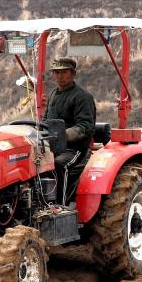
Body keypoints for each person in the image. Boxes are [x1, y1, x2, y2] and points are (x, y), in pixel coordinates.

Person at [44, 57, 95, 202]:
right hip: (53, 145)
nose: (60, 76)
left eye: (64, 72)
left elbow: (85, 126)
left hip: (74, 149)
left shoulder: (82, 97)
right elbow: (45, 120)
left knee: (60, 164)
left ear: (73, 74)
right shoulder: (53, 94)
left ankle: (60, 204)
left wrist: (63, 135)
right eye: (56, 73)